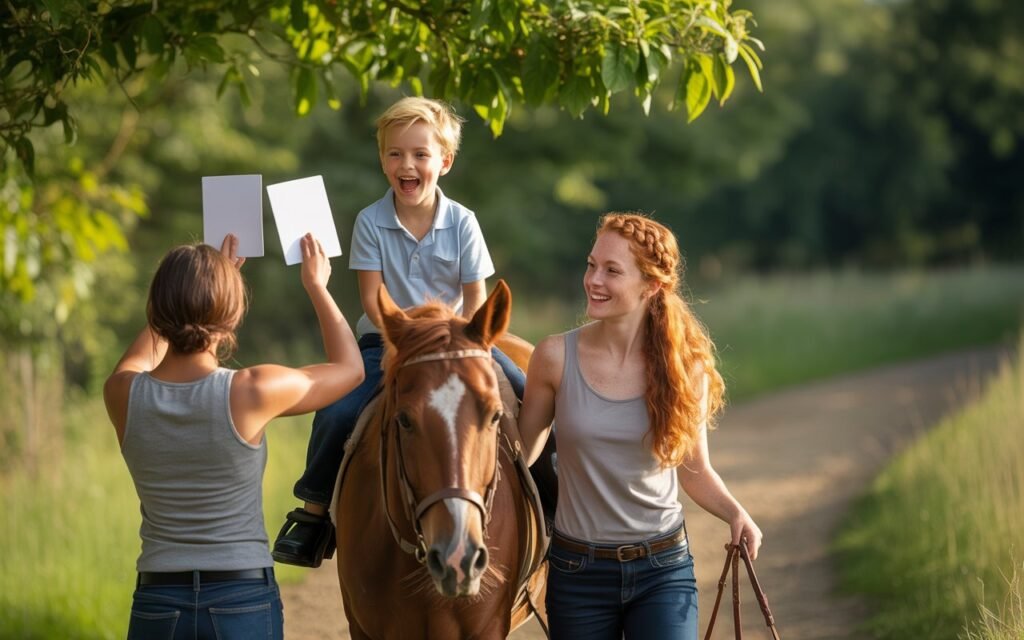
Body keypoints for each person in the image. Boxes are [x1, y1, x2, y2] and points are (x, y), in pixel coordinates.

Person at [272, 96, 527, 567]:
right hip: (386, 341)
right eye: (395, 154)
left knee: (527, 393)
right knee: (338, 411)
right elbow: (372, 298)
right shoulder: (371, 221)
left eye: (420, 154)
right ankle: (311, 516)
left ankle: (551, 506)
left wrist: (469, 344)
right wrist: (404, 337)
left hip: (456, 344)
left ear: (444, 162)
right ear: (382, 160)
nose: (406, 164)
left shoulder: (463, 223)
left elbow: (475, 300)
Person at [104, 233, 364, 639]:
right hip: (241, 598)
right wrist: (317, 286)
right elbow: (352, 369)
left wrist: (197, 289)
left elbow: (145, 350)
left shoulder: (122, 394)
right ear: (233, 314)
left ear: (155, 310)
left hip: (157, 601)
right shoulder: (250, 391)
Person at [518, 213, 763, 640]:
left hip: (662, 570)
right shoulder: (554, 357)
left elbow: (694, 469)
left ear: (651, 286)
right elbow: (523, 453)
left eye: (612, 271)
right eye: (591, 265)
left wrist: (735, 513)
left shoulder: (685, 369)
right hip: (577, 573)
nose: (594, 279)